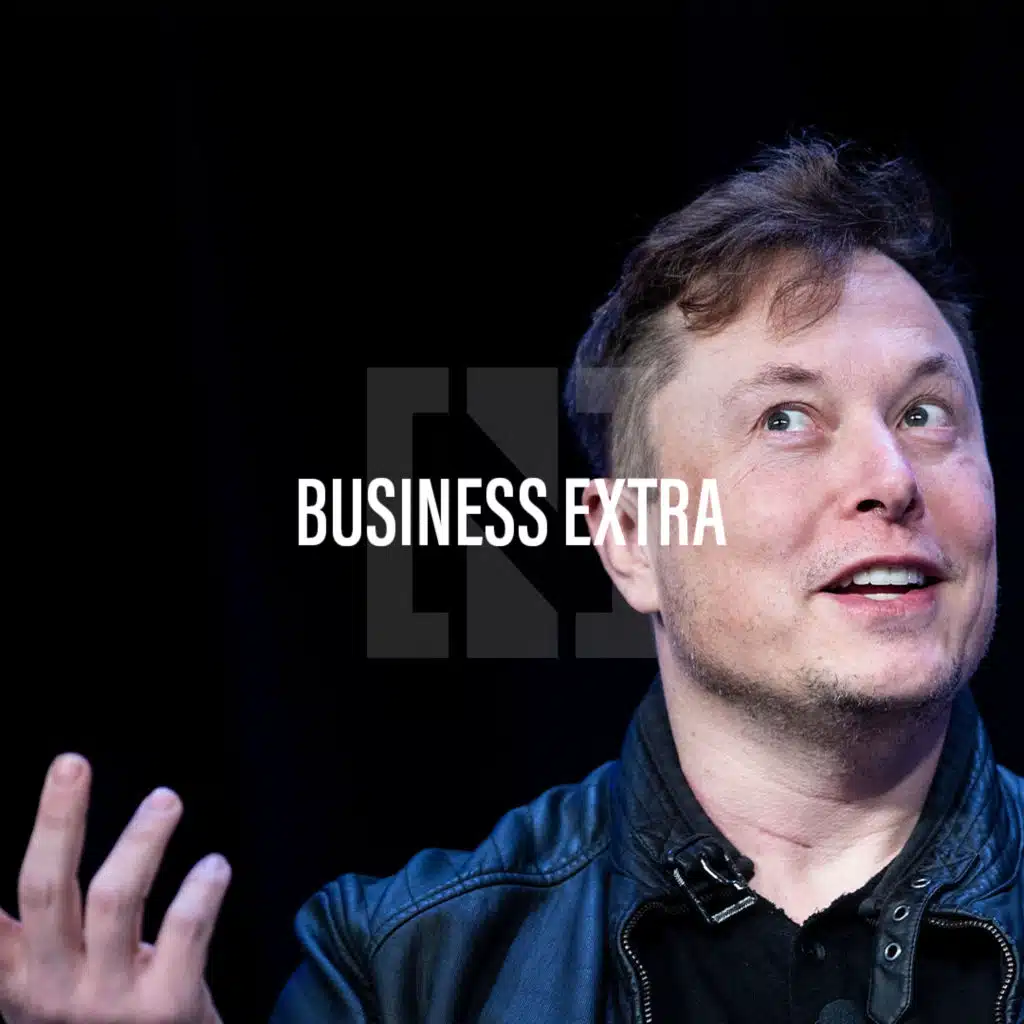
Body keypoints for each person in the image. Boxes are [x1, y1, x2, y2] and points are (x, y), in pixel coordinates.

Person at [2, 136, 1021, 1024]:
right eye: (784, 420)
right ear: (629, 540)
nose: (890, 478)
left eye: (924, 413)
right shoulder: (400, 969)